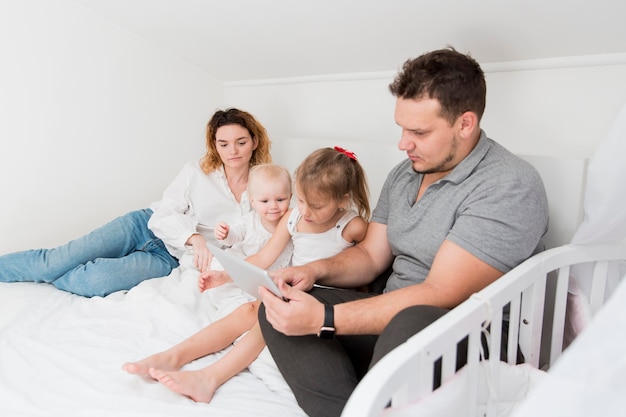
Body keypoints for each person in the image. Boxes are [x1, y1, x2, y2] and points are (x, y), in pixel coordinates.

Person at [257, 47, 550, 417]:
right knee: (278, 306)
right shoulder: (404, 174)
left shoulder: (509, 184)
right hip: (392, 325)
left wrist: (325, 320)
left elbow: (440, 293)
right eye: (401, 127)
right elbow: (368, 256)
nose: (402, 143)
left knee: (412, 319)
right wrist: (315, 271)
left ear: (465, 123)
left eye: (418, 132)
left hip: (471, 332)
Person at [123, 146, 371, 404]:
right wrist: (225, 276)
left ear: (343, 200)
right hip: (293, 286)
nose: (306, 211)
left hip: (322, 296)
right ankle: (172, 357)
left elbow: (367, 264)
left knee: (263, 322)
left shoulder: (353, 226)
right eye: (302, 200)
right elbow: (265, 257)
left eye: (316, 205)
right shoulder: (294, 216)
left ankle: (209, 378)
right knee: (246, 312)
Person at [0, 108, 272, 297]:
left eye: (240, 142)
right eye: (223, 144)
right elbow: (165, 211)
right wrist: (194, 238)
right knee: (53, 261)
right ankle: (47, 269)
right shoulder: (196, 171)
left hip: (170, 257)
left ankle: (52, 273)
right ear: (215, 145)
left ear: (254, 141)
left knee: (92, 281)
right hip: (143, 225)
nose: (232, 151)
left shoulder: (266, 188)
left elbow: (257, 238)